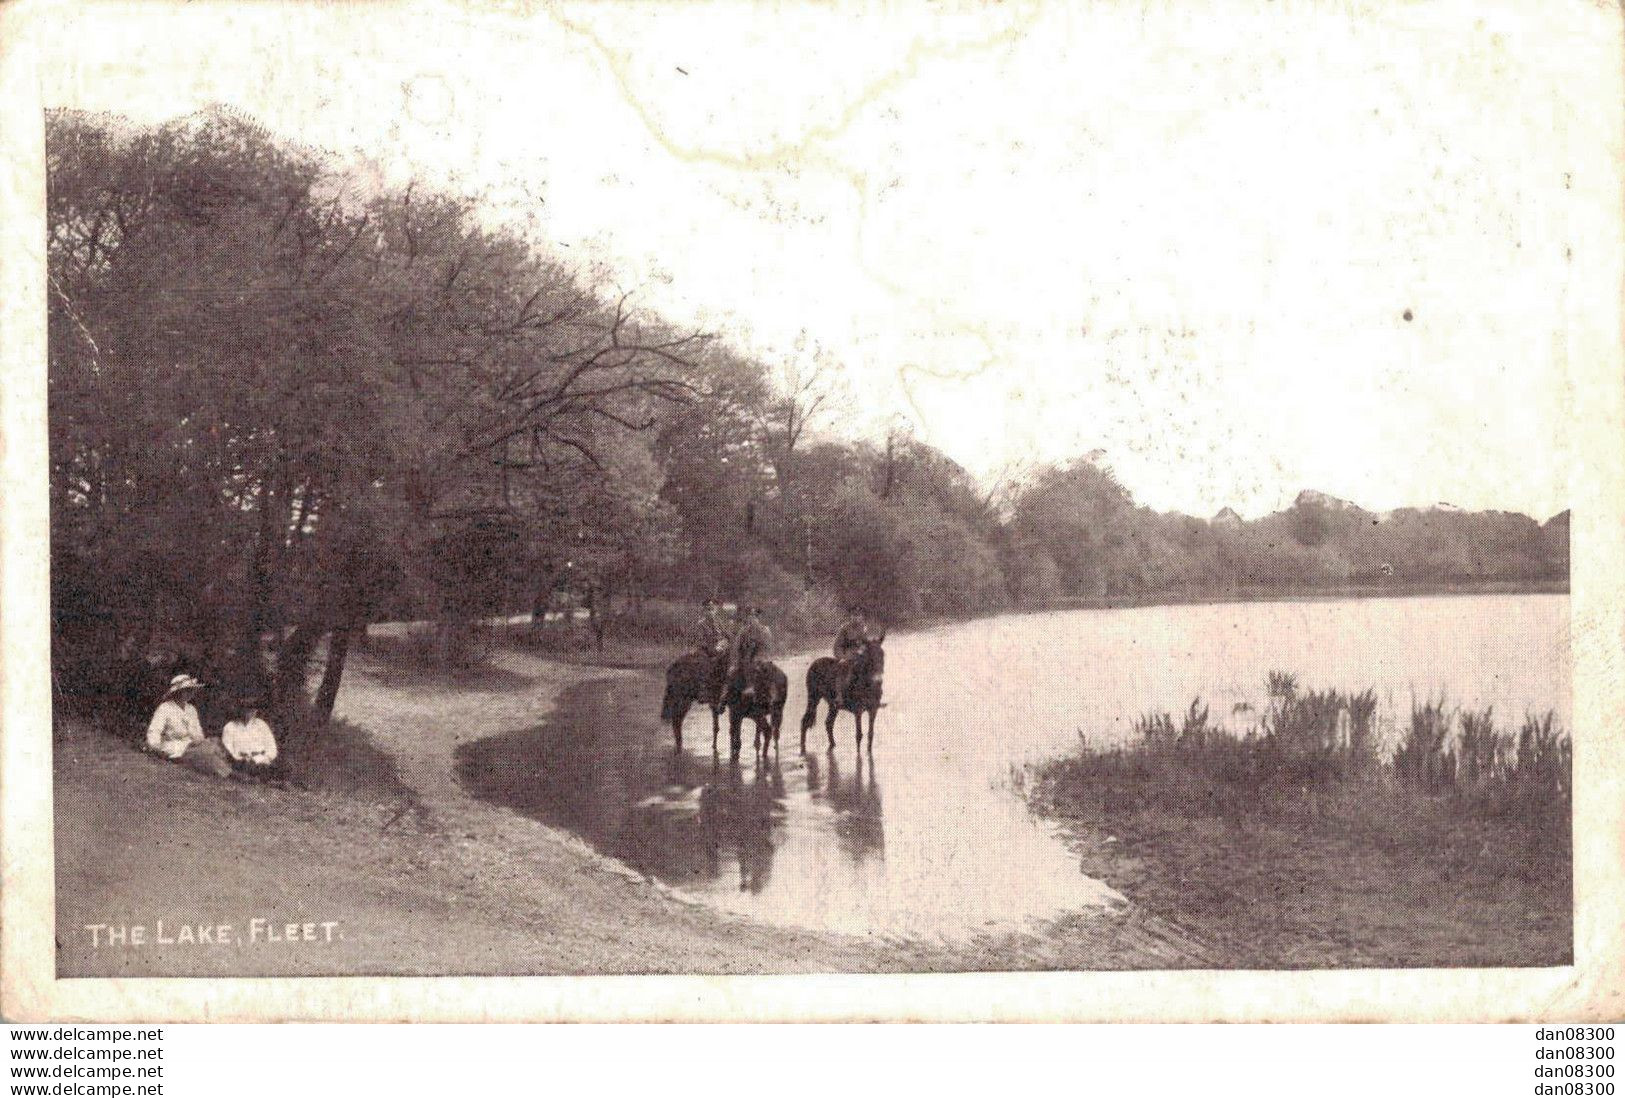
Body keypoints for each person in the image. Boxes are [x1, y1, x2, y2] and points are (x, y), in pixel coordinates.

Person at [145, 673, 206, 760]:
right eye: (187, 690)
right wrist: (156, 747)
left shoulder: (191, 709)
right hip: (174, 747)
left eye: (191, 690)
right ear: (178, 692)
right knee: (205, 754)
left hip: (192, 745)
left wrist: (198, 740)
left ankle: (226, 772)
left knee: (212, 746)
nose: (190, 693)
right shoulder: (165, 708)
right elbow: (154, 730)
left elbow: (198, 731)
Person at [222, 697, 279, 774]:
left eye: (253, 709)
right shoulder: (230, 727)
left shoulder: (261, 725)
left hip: (262, 762)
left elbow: (272, 748)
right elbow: (227, 750)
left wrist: (261, 759)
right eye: (246, 709)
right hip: (241, 764)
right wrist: (242, 760)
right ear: (240, 710)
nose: (250, 712)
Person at [726, 605, 772, 696]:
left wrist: (756, 647)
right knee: (733, 672)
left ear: (758, 618)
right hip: (748, 655)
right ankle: (726, 695)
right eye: (750, 616)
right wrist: (737, 658)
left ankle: (751, 685)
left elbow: (767, 645)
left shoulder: (764, 630)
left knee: (754, 663)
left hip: (760, 654)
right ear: (747, 618)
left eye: (755, 616)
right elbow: (737, 645)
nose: (752, 619)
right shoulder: (744, 631)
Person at [832, 606, 871, 711]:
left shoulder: (864, 628)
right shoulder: (844, 629)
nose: (856, 618)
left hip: (859, 656)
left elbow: (866, 644)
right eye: (854, 615)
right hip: (847, 655)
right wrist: (841, 657)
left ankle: (871, 696)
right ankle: (839, 696)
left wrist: (864, 651)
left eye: (858, 616)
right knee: (842, 669)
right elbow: (837, 645)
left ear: (862, 617)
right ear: (850, 616)